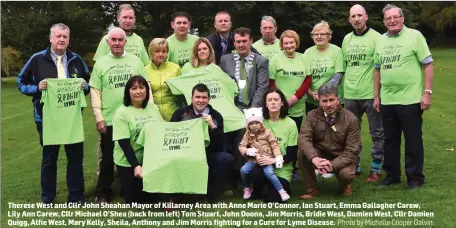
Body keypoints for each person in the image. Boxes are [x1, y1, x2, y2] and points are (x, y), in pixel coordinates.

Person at [17, 23, 90, 204]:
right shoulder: (37, 59)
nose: (61, 40)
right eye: (58, 36)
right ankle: (48, 199)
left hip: (72, 118)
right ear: (51, 38)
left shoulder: (76, 59)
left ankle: (76, 198)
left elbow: (89, 81)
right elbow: (21, 82)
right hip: (46, 118)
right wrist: (36, 88)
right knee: (49, 160)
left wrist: (84, 86)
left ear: (68, 39)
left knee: (75, 160)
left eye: (65, 37)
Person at [374, 4, 434, 189]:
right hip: (388, 100)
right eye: (388, 18)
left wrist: (427, 92)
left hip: (410, 100)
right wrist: (376, 96)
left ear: (402, 18)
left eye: (395, 17)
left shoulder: (415, 36)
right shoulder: (380, 41)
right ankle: (392, 175)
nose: (392, 20)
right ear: (384, 22)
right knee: (390, 140)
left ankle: (415, 177)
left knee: (413, 140)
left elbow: (428, 64)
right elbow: (377, 70)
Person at [89, 27, 146, 203]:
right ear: (107, 42)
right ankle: (102, 192)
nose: (117, 43)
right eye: (113, 40)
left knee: (135, 153)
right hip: (110, 118)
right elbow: (95, 92)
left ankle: (131, 187)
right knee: (107, 159)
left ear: (125, 42)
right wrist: (99, 117)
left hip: (134, 117)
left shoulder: (136, 61)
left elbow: (145, 88)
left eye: (120, 40)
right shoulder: (100, 64)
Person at [220, 27, 269, 187]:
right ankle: (230, 179)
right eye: (238, 41)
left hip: (251, 108)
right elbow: (222, 87)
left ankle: (245, 180)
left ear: (251, 42)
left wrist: (250, 113)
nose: (241, 45)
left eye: (245, 41)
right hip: (231, 108)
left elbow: (262, 87)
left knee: (246, 141)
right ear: (234, 43)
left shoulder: (261, 61)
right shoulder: (225, 60)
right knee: (227, 142)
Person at [170, 83, 234, 201]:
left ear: (209, 99)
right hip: (185, 154)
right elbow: (171, 135)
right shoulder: (180, 113)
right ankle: (182, 193)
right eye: (197, 97)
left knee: (226, 158)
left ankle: (211, 192)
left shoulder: (216, 115)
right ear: (192, 98)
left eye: (204, 97)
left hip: (207, 153)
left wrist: (213, 127)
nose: (201, 100)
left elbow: (220, 144)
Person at [342, 4, 384, 181]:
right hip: (350, 94)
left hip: (370, 94)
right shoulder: (346, 39)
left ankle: (376, 166)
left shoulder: (377, 38)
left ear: (366, 17)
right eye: (353, 16)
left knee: (377, 132)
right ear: (349, 19)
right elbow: (344, 67)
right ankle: (354, 163)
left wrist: (378, 94)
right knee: (352, 132)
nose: (357, 19)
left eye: (360, 15)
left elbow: (380, 67)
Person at [298, 83, 360, 199]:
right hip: (320, 154)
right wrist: (314, 158)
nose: (328, 104)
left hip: (341, 156)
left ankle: (345, 184)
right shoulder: (312, 115)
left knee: (347, 175)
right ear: (319, 101)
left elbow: (352, 150)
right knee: (302, 153)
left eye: (331, 100)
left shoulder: (351, 119)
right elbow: (303, 138)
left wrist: (332, 165)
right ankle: (311, 188)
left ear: (338, 99)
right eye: (324, 101)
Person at [112, 76, 164, 204]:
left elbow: (161, 130)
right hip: (128, 161)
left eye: (142, 87)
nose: (138, 91)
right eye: (134, 88)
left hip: (149, 158)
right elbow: (124, 144)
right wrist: (136, 166)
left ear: (147, 90)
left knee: (156, 195)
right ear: (128, 92)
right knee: (136, 199)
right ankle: (125, 184)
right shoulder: (122, 112)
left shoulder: (152, 108)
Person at [248, 88, 296, 202]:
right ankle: (260, 188)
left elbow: (291, 155)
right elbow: (250, 145)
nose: (273, 102)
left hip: (282, 169)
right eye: (269, 100)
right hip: (263, 166)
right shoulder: (259, 123)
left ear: (282, 102)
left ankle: (281, 188)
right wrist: (257, 156)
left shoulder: (290, 124)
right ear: (265, 103)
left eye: (276, 99)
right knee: (252, 172)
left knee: (271, 200)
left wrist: (273, 160)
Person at [239, 107, 290, 202]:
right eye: (251, 123)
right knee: (243, 170)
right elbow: (241, 146)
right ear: (248, 125)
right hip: (254, 159)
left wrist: (278, 156)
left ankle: (281, 191)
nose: (254, 126)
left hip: (266, 158)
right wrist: (247, 151)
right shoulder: (247, 134)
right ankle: (247, 188)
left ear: (261, 123)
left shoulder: (267, 133)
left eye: (257, 123)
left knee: (269, 173)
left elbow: (274, 145)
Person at [269, 30, 312, 130]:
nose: (289, 45)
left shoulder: (304, 58)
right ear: (282, 44)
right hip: (280, 105)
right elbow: (271, 83)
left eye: (291, 42)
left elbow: (308, 80)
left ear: (296, 43)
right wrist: (282, 101)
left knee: (294, 135)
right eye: (286, 43)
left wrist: (296, 97)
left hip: (298, 106)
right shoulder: (275, 59)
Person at [303, 21, 345, 115]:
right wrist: (310, 93)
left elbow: (337, 77)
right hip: (312, 101)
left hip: (332, 100)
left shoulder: (337, 51)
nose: (319, 36)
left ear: (328, 36)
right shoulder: (307, 53)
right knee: (314, 128)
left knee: (335, 128)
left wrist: (322, 94)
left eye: (322, 34)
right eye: (316, 34)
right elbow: (303, 77)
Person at [144, 38, 181, 121]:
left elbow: (181, 95)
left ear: (167, 52)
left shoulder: (175, 68)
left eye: (164, 51)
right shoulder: (144, 70)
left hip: (174, 113)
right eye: (157, 51)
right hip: (153, 115)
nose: (161, 54)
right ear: (151, 53)